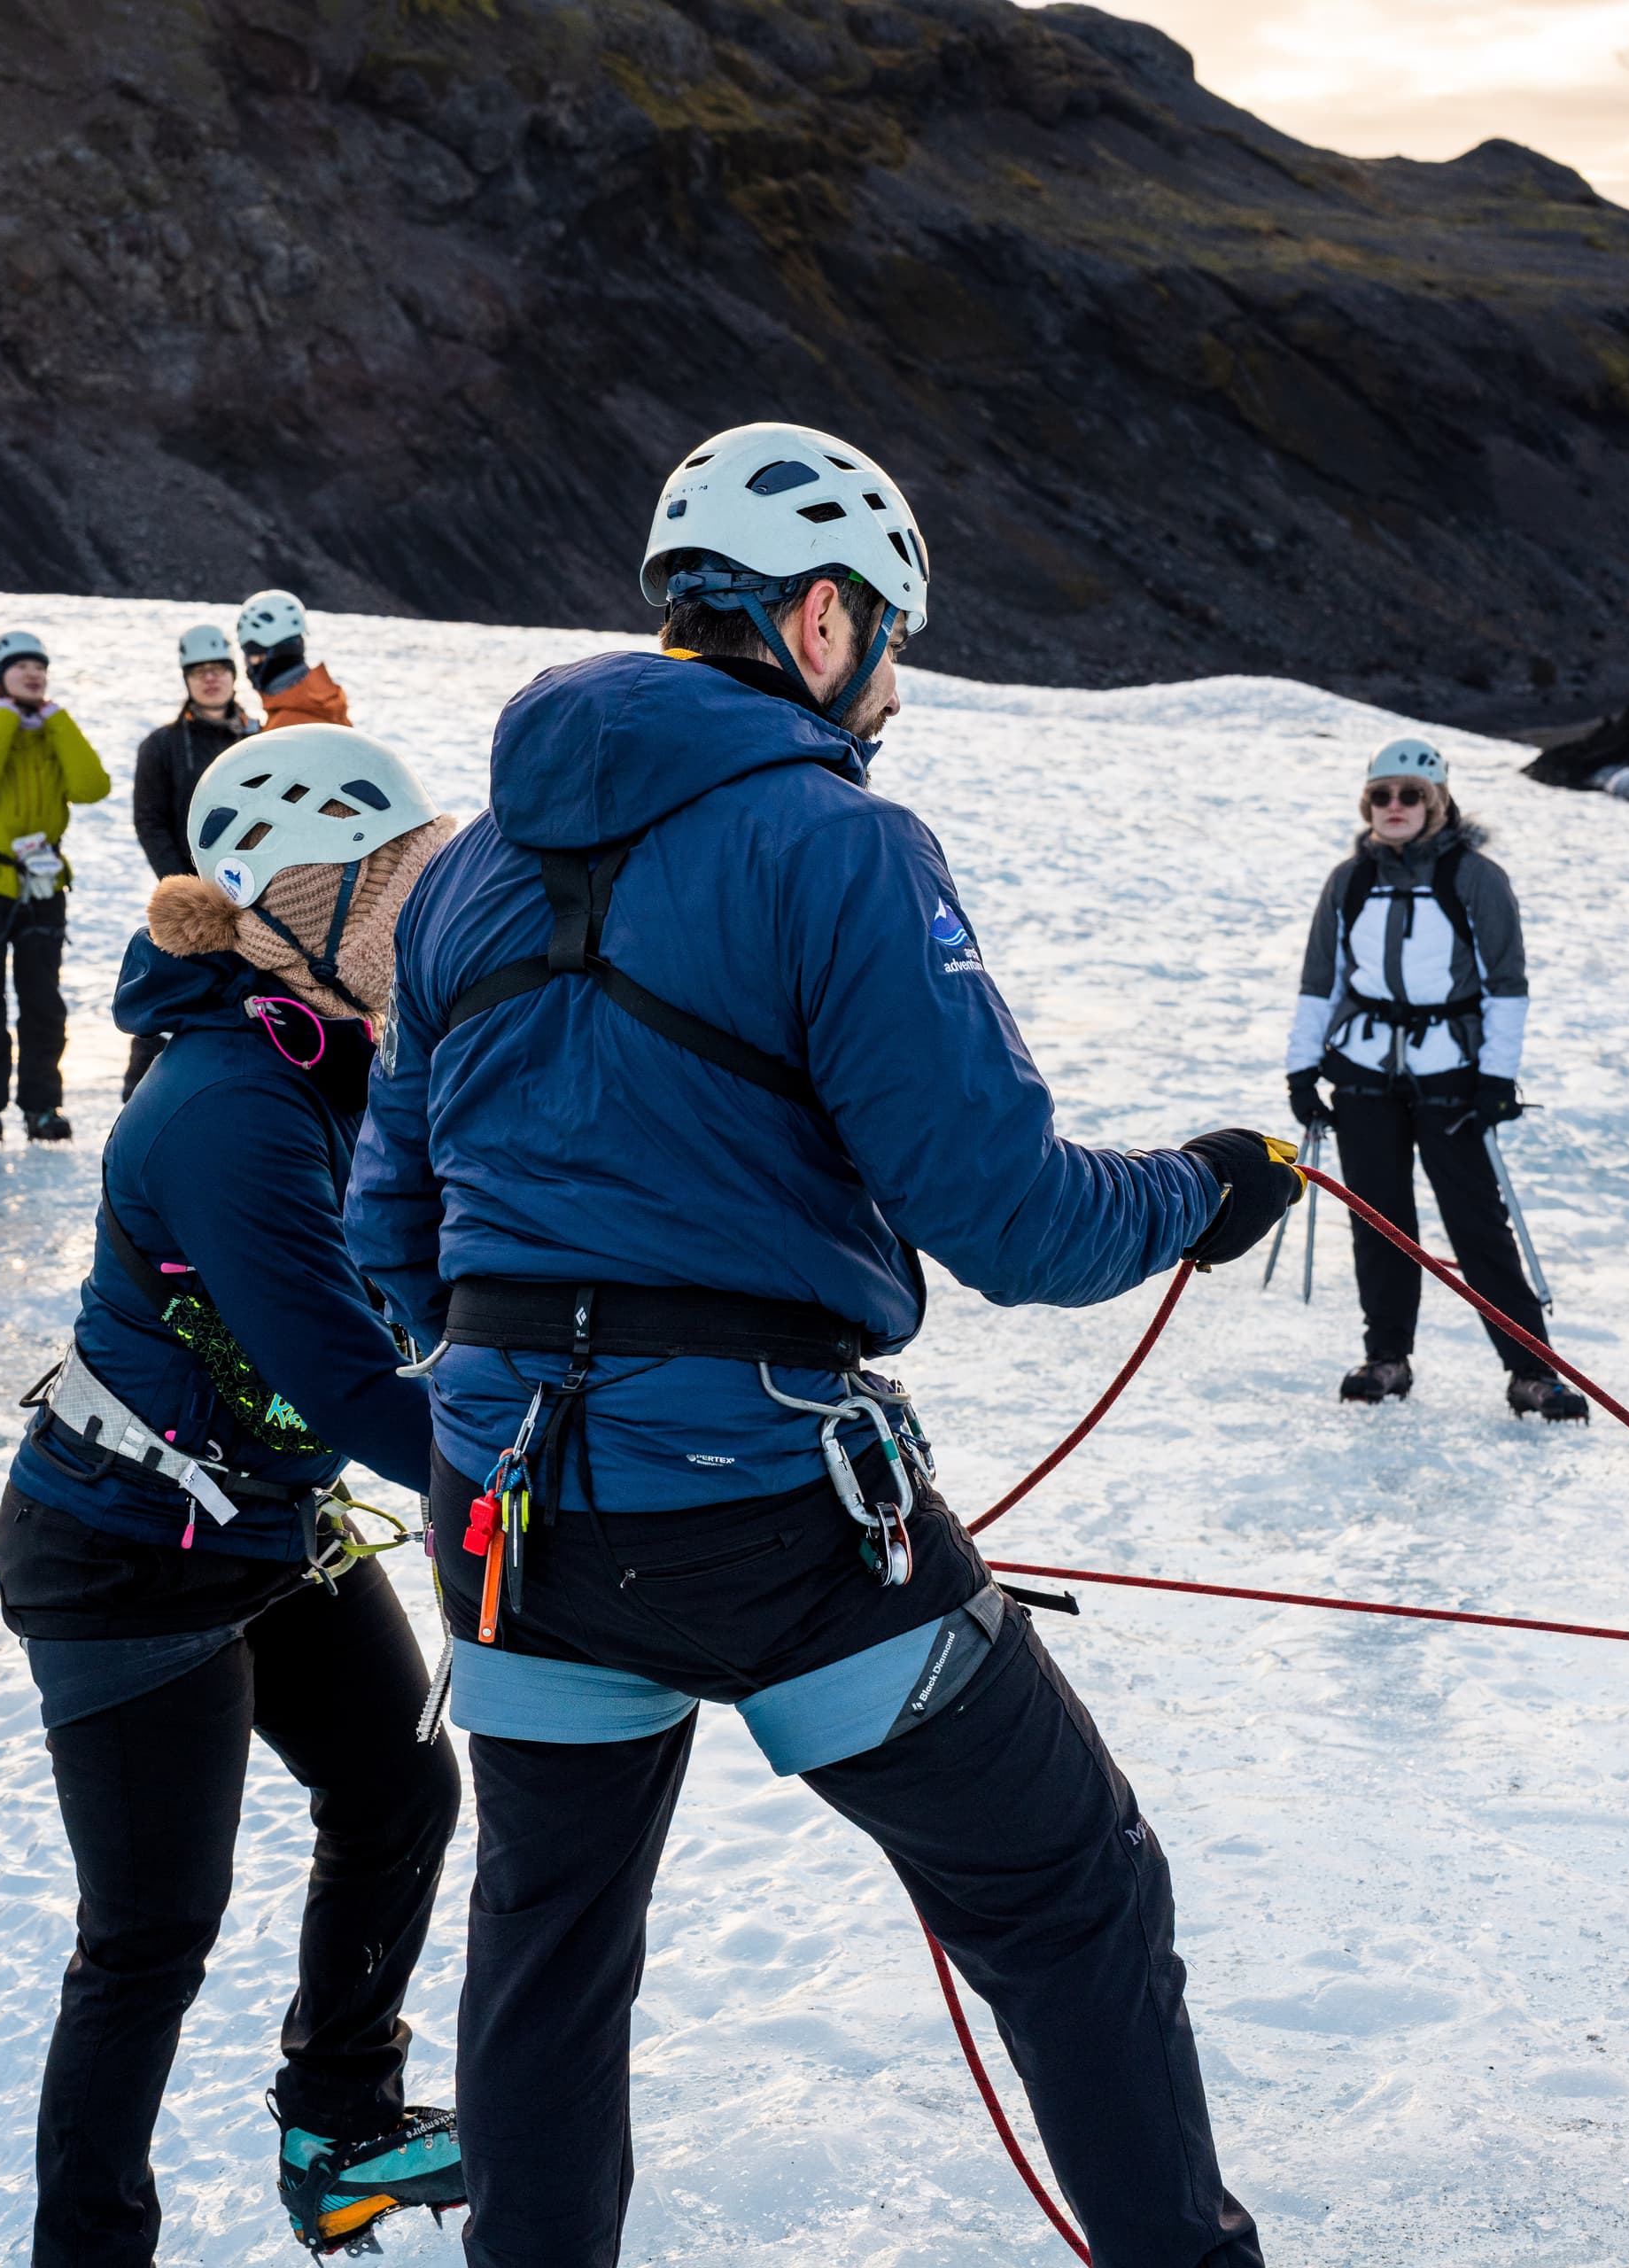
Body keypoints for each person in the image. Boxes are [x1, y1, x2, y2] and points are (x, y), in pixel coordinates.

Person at [345, 421, 1295, 2268]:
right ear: (828, 616)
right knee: (1071, 1892)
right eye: (892, 643)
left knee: (548, 1961)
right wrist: (1199, 1188)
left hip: (511, 1521)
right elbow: (1008, 1212)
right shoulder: (841, 841)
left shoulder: (456, 879)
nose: (890, 691)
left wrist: (509, 1392)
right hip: (780, 1511)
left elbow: (393, 1222)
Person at [0, 720, 469, 2263]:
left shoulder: (358, 1061)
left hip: (263, 1517)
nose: (421, 923)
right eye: (387, 894)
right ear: (289, 920)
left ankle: (340, 2126)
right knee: (147, 1939)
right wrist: (530, 1489)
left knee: (400, 1789)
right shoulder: (227, 1108)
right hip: (126, 1550)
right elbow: (349, 1375)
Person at [1283, 738, 1589, 1420]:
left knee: (1478, 1223)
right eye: (1382, 796)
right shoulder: (1349, 880)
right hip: (1362, 1071)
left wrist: (1495, 1079)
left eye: (1411, 795)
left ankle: (1531, 1370)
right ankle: (1387, 1358)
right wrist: (1302, 1070)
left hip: (1451, 1073)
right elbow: (1320, 982)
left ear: (1437, 801)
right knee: (1380, 1221)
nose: (1396, 807)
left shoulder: (1476, 877)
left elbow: (1506, 986)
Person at [0, 630, 112, 1142]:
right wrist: (3, 720)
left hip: (44, 886)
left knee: (43, 1002)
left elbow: (91, 786)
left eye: (39, 667)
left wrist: (56, 721)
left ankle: (42, 1106)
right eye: (20, 667)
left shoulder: (55, 736)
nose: (33, 674)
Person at [120, 622, 256, 1096]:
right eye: (200, 671)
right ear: (186, 678)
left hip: (260, 900)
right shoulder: (160, 746)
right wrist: (185, 890)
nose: (211, 679)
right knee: (170, 998)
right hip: (188, 908)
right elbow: (150, 822)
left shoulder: (263, 740)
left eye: (219, 669)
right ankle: (141, 1102)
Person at [237, 590, 352, 727]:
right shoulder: (323, 703)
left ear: (262, 656)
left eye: (250, 655)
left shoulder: (286, 728)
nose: (248, 665)